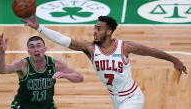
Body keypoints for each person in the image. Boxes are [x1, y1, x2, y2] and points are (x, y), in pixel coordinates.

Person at [22, 15, 188, 109]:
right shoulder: (90, 48)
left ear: (109, 31)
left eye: (98, 28)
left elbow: (152, 52)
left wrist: (175, 60)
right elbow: (64, 40)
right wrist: (39, 28)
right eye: (94, 28)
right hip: (115, 99)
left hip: (132, 98)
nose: (95, 31)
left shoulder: (125, 47)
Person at [0, 33, 83, 109]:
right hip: (23, 106)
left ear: (45, 49)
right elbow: (2, 70)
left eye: (38, 46)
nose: (36, 49)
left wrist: (65, 75)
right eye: (32, 47)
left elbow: (79, 78)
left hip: (47, 106)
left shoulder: (55, 64)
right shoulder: (22, 65)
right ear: (28, 51)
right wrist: (2, 53)